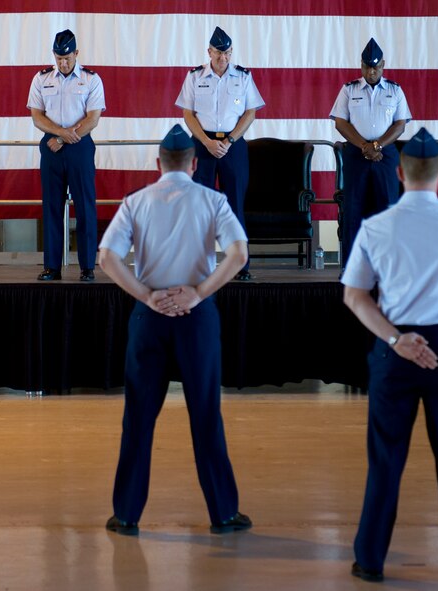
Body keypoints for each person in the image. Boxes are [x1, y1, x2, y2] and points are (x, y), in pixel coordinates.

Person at [341, 128, 438, 583]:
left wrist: (396, 340)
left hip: (394, 352)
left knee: (385, 461)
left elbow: (355, 297)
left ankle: (370, 559)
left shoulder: (376, 226)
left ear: (399, 173)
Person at [100, 124, 252, 536]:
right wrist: (198, 293)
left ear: (158, 164)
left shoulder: (136, 202)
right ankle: (223, 513)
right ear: (195, 163)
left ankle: (127, 514)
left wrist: (147, 296)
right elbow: (238, 256)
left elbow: (107, 260)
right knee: (205, 416)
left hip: (149, 318)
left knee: (138, 419)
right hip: (195, 317)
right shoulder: (213, 199)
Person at [175, 26, 265, 281]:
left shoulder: (243, 77)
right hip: (202, 145)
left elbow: (250, 112)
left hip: (233, 146)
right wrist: (206, 141)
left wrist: (229, 140)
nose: (223, 57)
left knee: (234, 206)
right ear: (209, 52)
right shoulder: (195, 77)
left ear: (231, 52)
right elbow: (187, 114)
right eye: (218, 53)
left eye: (227, 53)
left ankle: (240, 266)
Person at [27, 29, 106, 282]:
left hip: (79, 146)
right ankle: (52, 266)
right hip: (51, 146)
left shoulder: (91, 79)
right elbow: (37, 116)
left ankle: (87, 267)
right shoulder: (42, 79)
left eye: (68, 58)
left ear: (76, 54)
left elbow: (93, 118)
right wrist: (59, 134)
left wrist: (64, 137)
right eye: (59, 58)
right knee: (51, 206)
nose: (63, 63)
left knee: (85, 206)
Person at [330, 38, 412, 271]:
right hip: (356, 156)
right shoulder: (349, 89)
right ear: (361, 66)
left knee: (387, 211)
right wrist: (364, 146)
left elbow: (400, 125)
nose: (372, 71)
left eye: (376, 67)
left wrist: (376, 146)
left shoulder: (395, 90)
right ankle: (351, 269)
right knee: (353, 211)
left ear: (383, 65)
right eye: (367, 67)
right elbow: (340, 123)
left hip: (385, 157)